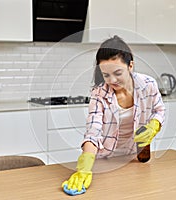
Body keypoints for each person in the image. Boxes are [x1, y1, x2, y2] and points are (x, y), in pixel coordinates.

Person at [62, 35, 165, 195]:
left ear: (130, 66)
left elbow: (159, 110)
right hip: (106, 161)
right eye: (106, 75)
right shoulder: (99, 94)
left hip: (134, 159)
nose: (112, 80)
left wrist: (154, 125)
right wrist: (84, 168)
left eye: (118, 73)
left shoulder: (148, 85)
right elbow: (93, 132)